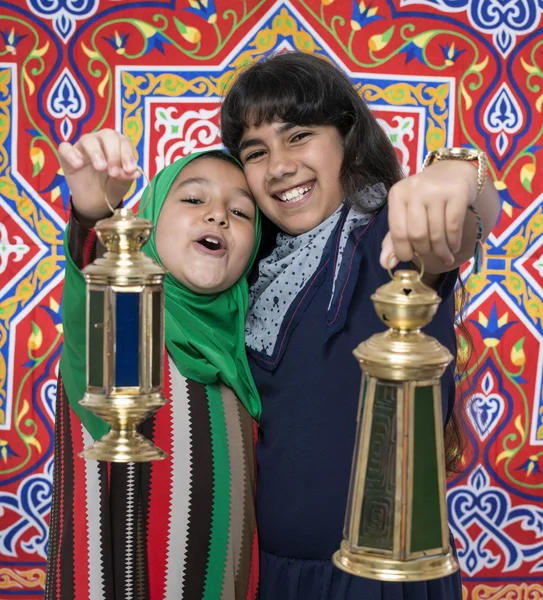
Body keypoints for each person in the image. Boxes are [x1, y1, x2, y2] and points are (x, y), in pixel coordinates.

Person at [218, 51, 501, 599]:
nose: (278, 165)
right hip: (271, 578)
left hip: (378, 581)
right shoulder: (248, 277)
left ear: (346, 137)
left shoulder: (388, 241)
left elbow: (462, 223)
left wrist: (458, 171)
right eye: (256, 151)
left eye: (298, 135)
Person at [45, 138, 262, 600]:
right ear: (148, 224)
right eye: (192, 199)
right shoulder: (130, 330)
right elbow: (94, 286)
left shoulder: (251, 361)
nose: (218, 215)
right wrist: (93, 214)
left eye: (241, 212)